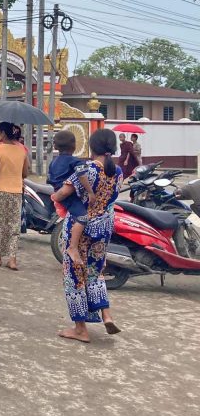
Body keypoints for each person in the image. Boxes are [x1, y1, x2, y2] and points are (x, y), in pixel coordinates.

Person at [53, 129, 123, 343]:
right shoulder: (118, 171)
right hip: (102, 229)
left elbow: (64, 193)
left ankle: (81, 329)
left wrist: (55, 195)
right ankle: (106, 315)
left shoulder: (88, 170)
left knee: (75, 276)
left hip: (79, 228)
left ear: (92, 148)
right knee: (95, 273)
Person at [0, 121, 29, 271]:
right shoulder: (22, 150)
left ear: (3, 133)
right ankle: (12, 259)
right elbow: (25, 173)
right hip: (16, 191)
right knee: (14, 225)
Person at [48, 131, 95, 266]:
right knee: (82, 218)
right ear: (74, 146)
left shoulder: (53, 162)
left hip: (58, 192)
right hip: (68, 195)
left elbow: (50, 179)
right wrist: (90, 192)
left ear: (56, 146)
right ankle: (72, 247)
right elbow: (81, 174)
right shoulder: (75, 161)